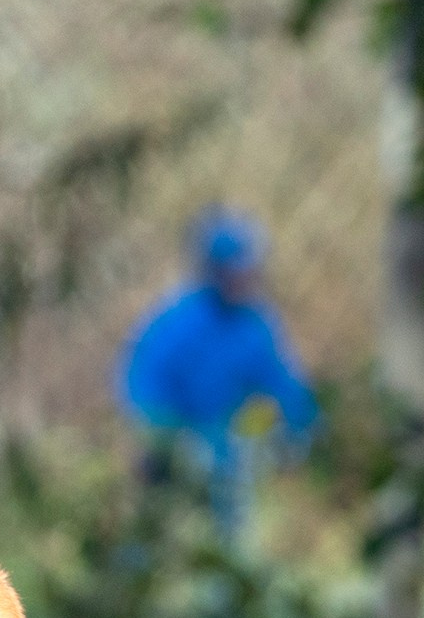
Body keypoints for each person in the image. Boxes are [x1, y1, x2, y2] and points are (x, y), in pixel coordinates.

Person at [118, 208, 317, 541]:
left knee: (232, 535)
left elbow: (283, 383)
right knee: (159, 535)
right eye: (236, 270)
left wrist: (302, 430)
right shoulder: (178, 321)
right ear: (214, 270)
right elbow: (142, 386)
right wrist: (165, 437)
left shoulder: (256, 324)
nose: (246, 278)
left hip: (229, 454)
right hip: (174, 451)